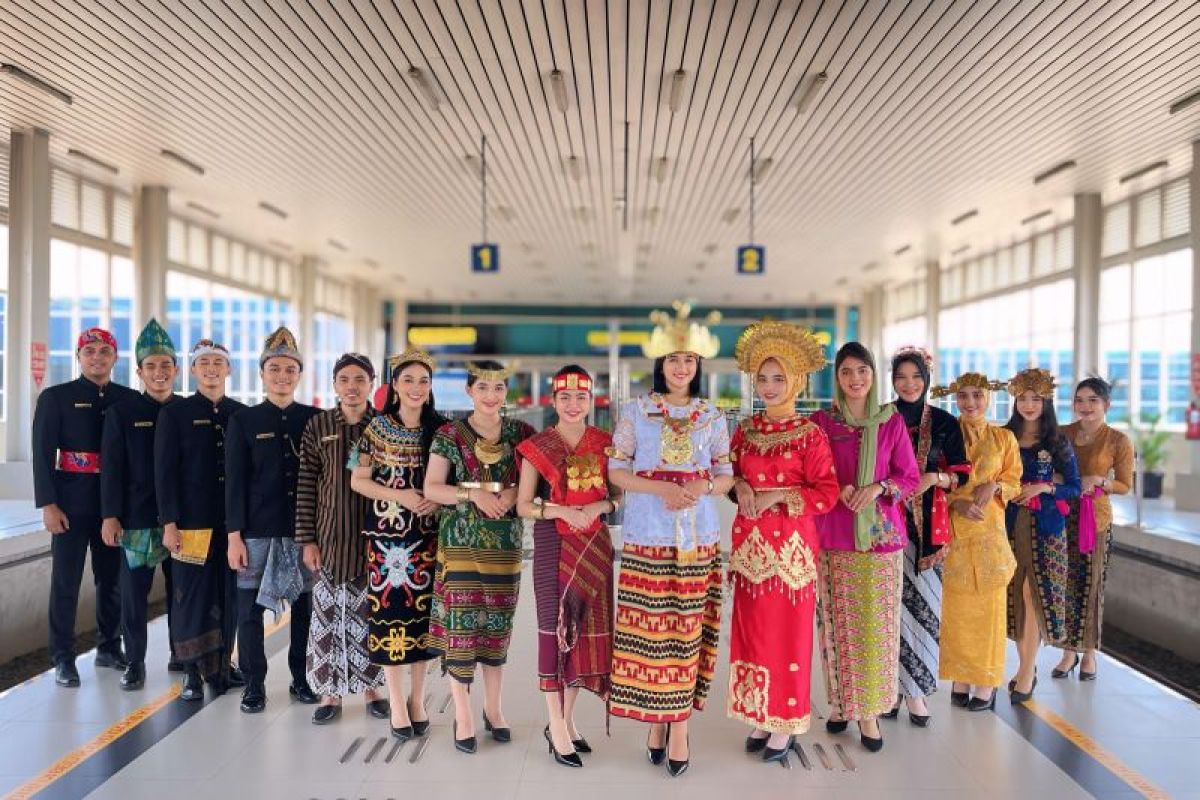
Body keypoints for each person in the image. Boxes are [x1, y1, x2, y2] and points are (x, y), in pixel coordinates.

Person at [607, 302, 735, 778]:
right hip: (647, 538)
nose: (681, 367)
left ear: (699, 365)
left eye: (689, 360)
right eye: (673, 360)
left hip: (698, 538)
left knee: (686, 633)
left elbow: (725, 474)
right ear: (659, 365)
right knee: (650, 635)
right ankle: (657, 720)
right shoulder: (636, 412)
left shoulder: (711, 415)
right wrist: (661, 487)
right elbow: (615, 470)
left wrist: (702, 486)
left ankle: (677, 725)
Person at [727, 322, 839, 763]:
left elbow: (827, 493)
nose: (769, 387)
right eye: (763, 379)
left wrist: (776, 495)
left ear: (796, 381)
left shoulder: (810, 434)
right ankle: (760, 712)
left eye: (779, 379)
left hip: (791, 552)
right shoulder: (746, 431)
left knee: (787, 637)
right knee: (754, 634)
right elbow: (728, 474)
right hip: (752, 550)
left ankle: (785, 722)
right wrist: (740, 483)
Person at [811, 342, 919, 753]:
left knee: (875, 629)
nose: (855, 380)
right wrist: (836, 488)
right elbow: (813, 474)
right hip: (834, 534)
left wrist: (878, 488)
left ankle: (870, 713)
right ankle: (841, 705)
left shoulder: (890, 423)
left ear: (873, 376)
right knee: (837, 626)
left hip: (880, 539)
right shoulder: (822, 422)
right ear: (836, 379)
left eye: (863, 371)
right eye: (846, 372)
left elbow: (908, 477)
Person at [423, 360, 534, 754]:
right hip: (462, 541)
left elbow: (539, 480)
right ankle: (463, 713)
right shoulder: (449, 433)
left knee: (498, 626)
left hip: (504, 544)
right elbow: (433, 488)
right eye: (483, 388)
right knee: (463, 624)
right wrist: (474, 494)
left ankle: (493, 707)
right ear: (469, 391)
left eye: (499, 388)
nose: (492, 396)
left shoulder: (522, 433)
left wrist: (512, 492)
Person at [516, 365, 618, 769]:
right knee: (554, 631)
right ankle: (556, 725)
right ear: (553, 400)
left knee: (586, 634)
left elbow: (615, 497)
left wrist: (597, 506)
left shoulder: (606, 444)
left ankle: (568, 717)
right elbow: (524, 505)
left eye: (581, 397)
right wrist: (560, 509)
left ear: (591, 400)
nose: (573, 405)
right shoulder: (537, 446)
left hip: (595, 547)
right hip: (553, 544)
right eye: (565, 397)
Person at [33, 327, 139, 687]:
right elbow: (42, 455)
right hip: (70, 505)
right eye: (90, 351)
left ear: (115, 358)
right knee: (66, 583)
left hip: (114, 507)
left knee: (111, 582)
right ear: (79, 357)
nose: (97, 357)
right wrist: (48, 504)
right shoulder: (56, 398)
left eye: (104, 352)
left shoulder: (128, 399)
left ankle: (109, 647)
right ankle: (62, 657)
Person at [349, 349, 446, 740]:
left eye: (423, 381)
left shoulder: (442, 430)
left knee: (422, 619)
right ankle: (394, 698)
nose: (416, 388)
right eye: (408, 380)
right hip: (387, 542)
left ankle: (418, 699)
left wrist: (435, 497)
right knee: (390, 617)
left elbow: (453, 482)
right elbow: (359, 480)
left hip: (429, 537)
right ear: (394, 386)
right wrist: (401, 495)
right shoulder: (375, 429)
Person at [225, 327, 320, 713]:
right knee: (249, 613)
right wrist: (234, 536)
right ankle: (254, 684)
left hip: (304, 532)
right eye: (275, 369)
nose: (282, 376)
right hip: (256, 532)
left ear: (299, 375)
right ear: (262, 374)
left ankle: (302, 677)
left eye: (290, 369)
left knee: (305, 609)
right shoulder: (244, 422)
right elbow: (233, 483)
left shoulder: (314, 420)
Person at [296, 353, 388, 725]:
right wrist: (307, 540)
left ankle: (373, 691)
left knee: (370, 619)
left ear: (372, 383)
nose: (352, 387)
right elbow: (305, 486)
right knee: (327, 619)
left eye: (359, 380)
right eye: (344, 379)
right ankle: (329, 694)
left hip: (374, 539)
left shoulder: (383, 426)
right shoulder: (318, 426)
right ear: (334, 384)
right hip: (329, 539)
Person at [156, 339, 246, 700]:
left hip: (232, 527)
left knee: (229, 597)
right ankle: (191, 670)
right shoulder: (174, 414)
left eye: (218, 362)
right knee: (188, 597)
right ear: (192, 370)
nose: (211, 368)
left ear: (229, 370)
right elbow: (164, 473)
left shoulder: (240, 414)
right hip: (190, 525)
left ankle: (223, 665)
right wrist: (169, 524)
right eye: (204, 362)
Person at [887, 346, 970, 726]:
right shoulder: (881, 418)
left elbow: (962, 474)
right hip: (884, 525)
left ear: (927, 380)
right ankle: (887, 691)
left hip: (928, 531)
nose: (909, 384)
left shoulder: (944, 423)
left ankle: (917, 694)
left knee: (923, 610)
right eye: (901, 377)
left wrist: (934, 478)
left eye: (916, 377)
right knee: (888, 611)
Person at [931, 372, 1021, 711]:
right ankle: (960, 678)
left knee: (989, 610)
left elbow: (1015, 481)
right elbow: (937, 483)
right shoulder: (945, 434)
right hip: (955, 530)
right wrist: (957, 501)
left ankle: (986, 681)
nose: (971, 403)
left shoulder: (1004, 439)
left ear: (988, 398)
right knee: (956, 610)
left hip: (989, 532)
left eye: (977, 396)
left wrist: (994, 487)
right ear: (955, 399)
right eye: (964, 396)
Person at [100, 319, 181, 690]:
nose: (159, 372)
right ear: (139, 371)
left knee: (181, 592)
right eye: (151, 366)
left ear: (176, 369)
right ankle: (135, 662)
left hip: (183, 522)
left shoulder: (185, 411)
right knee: (134, 596)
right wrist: (110, 516)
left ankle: (181, 654)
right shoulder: (122, 413)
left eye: (166, 365)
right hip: (136, 521)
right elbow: (112, 469)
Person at [1003, 368, 1081, 703]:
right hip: (1008, 527)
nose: (1029, 404)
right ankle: (1026, 667)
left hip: (1047, 530)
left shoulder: (1057, 442)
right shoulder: (1003, 437)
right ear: (1015, 400)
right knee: (1016, 599)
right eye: (1023, 398)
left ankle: (1024, 673)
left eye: (1036, 398)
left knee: (1033, 594)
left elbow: (1074, 487)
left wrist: (1045, 486)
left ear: (1046, 401)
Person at [1058, 377, 1134, 681]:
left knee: (1090, 586)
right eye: (1079, 400)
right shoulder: (1062, 434)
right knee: (1064, 584)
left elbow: (1125, 485)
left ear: (1106, 405)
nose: (1085, 407)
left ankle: (1089, 653)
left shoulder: (1118, 440)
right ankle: (1067, 652)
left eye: (1092, 400)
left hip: (1095, 521)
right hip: (1062, 516)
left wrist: (1101, 481)